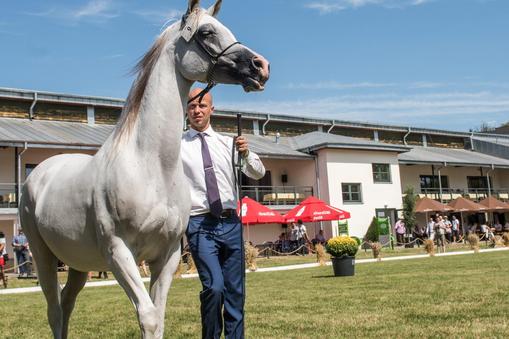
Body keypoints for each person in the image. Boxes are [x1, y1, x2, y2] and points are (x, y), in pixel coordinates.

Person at [182, 88, 265, 339]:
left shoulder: (229, 144)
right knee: (214, 287)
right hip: (199, 224)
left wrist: (246, 153)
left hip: (231, 223)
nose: (197, 110)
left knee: (235, 293)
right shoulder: (177, 146)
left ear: (212, 109)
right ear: (186, 111)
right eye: (192, 106)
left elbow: (258, 172)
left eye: (203, 105)